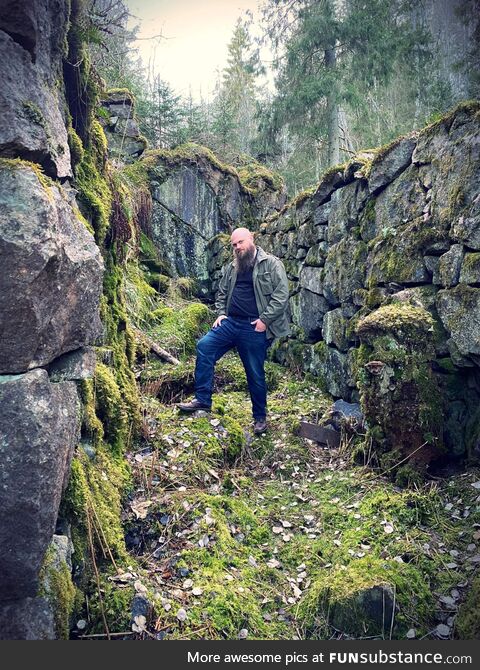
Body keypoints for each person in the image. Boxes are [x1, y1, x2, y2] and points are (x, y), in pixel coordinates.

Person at [177, 227, 290, 434]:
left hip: (254, 326)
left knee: (255, 372)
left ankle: (260, 418)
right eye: (234, 245)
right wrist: (220, 313)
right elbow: (221, 292)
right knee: (204, 346)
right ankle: (202, 400)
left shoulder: (272, 264)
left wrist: (264, 320)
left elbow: (281, 295)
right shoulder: (232, 267)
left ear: (252, 239)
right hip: (230, 323)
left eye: (241, 242)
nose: (237, 247)